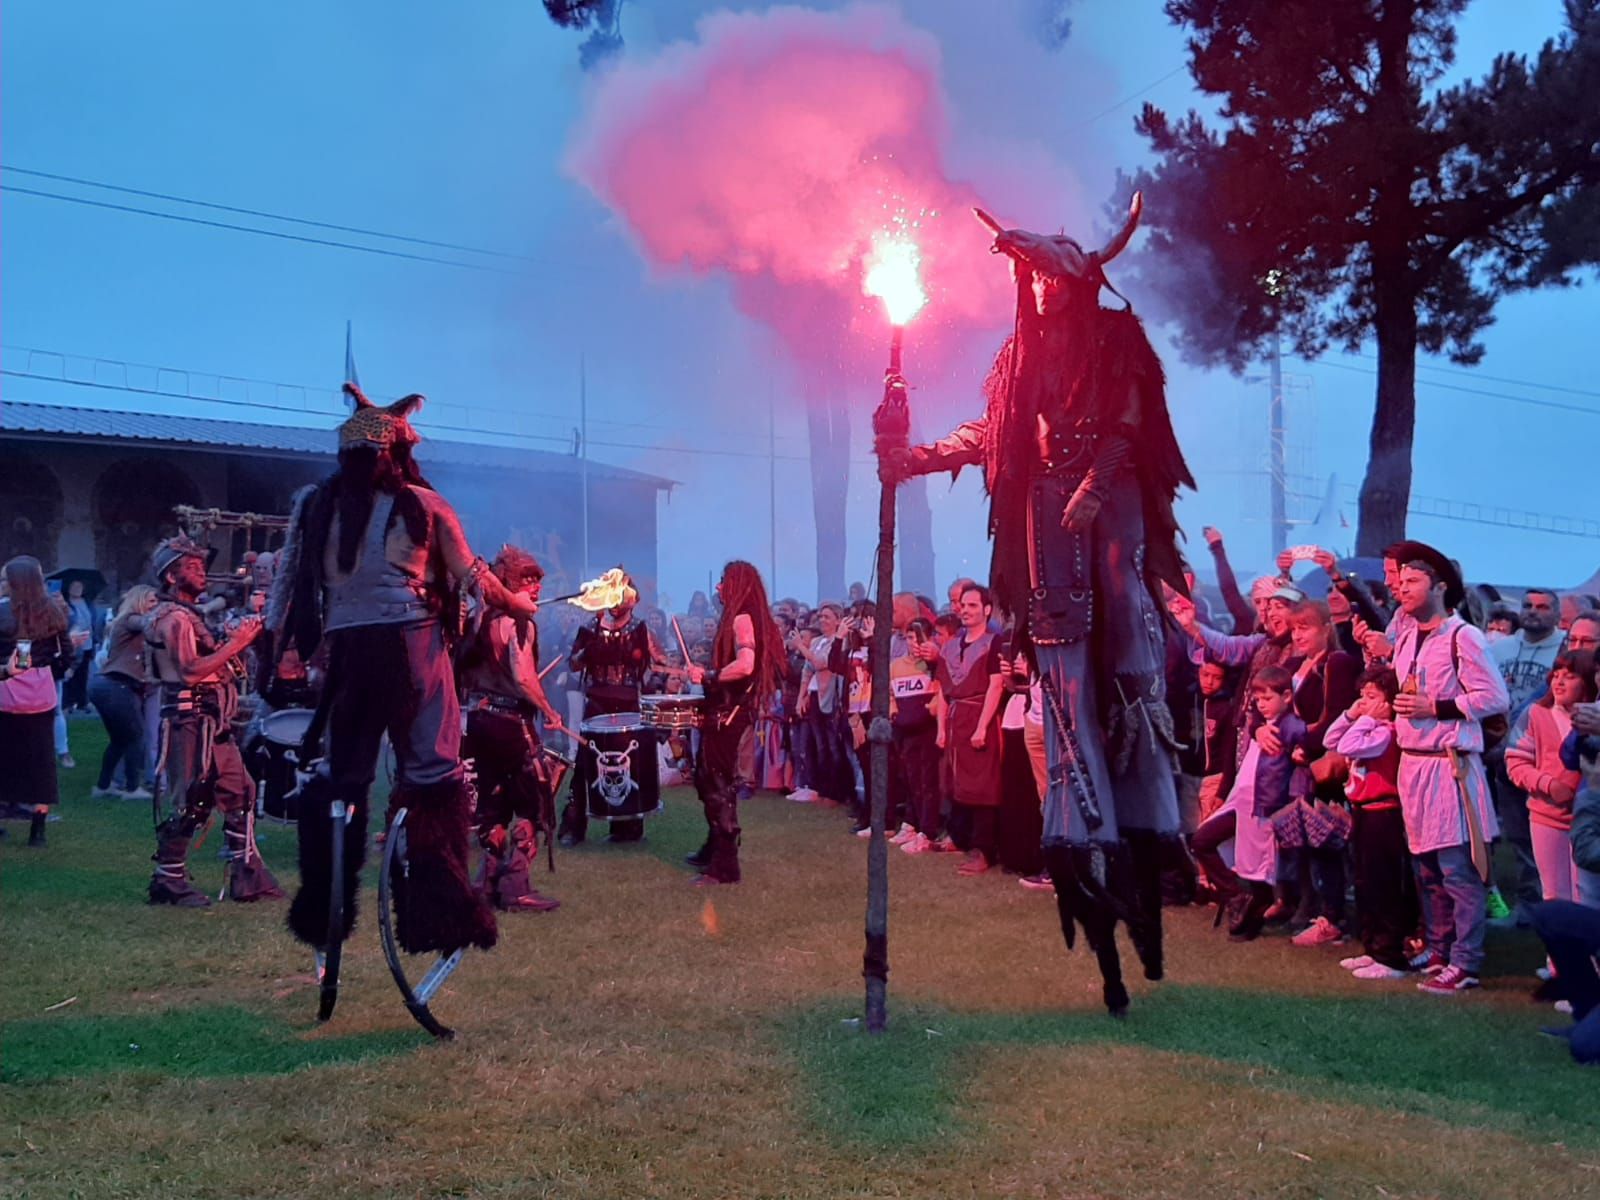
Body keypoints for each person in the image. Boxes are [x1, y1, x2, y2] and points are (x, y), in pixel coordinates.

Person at [885, 195, 1193, 1016]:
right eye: (1033, 278)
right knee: (1058, 676)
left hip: (1111, 512)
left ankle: (1143, 819)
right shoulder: (1015, 360)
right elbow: (990, 433)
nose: (1044, 291)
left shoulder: (1117, 339)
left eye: (1053, 276)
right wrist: (911, 457)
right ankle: (1080, 835)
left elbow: (1133, 422)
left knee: (1126, 642)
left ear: (1079, 279)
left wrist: (1099, 481)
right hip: (1045, 525)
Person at [265, 384, 536, 958]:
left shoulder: (314, 506)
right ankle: (435, 914)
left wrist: (277, 647)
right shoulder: (423, 503)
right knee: (433, 777)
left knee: (344, 778)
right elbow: (471, 578)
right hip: (413, 651)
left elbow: (284, 589)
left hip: (346, 657)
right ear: (399, 454)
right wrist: (517, 604)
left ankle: (323, 905)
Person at [1387, 543, 1510, 996]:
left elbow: (1496, 698)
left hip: (1450, 766)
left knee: (1459, 869)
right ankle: (1439, 949)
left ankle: (1467, 961)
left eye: (1412, 582)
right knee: (1426, 869)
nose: (1402, 590)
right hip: (1412, 764)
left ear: (1439, 587)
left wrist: (1437, 706)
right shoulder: (1405, 636)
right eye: (1400, 584)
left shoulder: (1463, 637)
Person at [144, 537, 282, 905]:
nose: (201, 573)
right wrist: (238, 643)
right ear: (171, 577)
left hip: (213, 722)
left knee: (240, 791)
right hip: (190, 721)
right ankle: (168, 880)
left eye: (202, 567)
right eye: (191, 568)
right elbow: (189, 672)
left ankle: (247, 875)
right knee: (191, 799)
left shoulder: (190, 614)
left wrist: (239, 639)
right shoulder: (171, 618)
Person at [458, 546, 565, 913]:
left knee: (494, 802)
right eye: (527, 579)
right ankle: (516, 886)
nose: (535, 586)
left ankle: (485, 884)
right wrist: (550, 710)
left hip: (480, 721)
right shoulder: (519, 622)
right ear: (507, 582)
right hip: (510, 724)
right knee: (533, 801)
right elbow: (523, 677)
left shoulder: (478, 617)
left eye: (537, 580)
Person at [683, 561, 786, 885]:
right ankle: (714, 846)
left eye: (724, 581)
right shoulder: (751, 617)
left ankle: (725, 864)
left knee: (716, 783)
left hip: (729, 710)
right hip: (728, 708)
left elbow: (745, 665)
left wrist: (710, 676)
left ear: (737, 584)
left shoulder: (743, 618)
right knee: (708, 777)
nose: (718, 588)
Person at [1191, 667, 1309, 941]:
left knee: (1260, 872)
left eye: (1267, 699)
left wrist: (1301, 754)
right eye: (1258, 699)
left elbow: (1303, 744)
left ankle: (1250, 921)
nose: (1261, 704)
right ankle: (1235, 896)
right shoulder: (1259, 723)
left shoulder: (1290, 725)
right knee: (1202, 840)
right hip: (1240, 799)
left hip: (1263, 804)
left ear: (1286, 696)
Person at [557, 577, 667, 846]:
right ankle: (573, 826)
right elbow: (572, 664)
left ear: (631, 599)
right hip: (596, 702)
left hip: (629, 703)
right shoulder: (590, 627)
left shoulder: (640, 629)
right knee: (585, 764)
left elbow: (660, 663)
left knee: (629, 765)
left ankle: (628, 828)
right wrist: (587, 654)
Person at [1325, 667, 1416, 980]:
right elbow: (1332, 739)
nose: (1365, 702)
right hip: (1361, 811)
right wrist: (1352, 713)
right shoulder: (1365, 725)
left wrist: (1364, 720)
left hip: (1383, 812)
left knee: (1383, 885)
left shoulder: (1385, 732)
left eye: (1372, 697)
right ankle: (1372, 946)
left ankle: (1390, 954)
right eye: (1362, 695)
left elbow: (1349, 747)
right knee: (1364, 883)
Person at [1491, 587, 1566, 916]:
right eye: (1528, 605)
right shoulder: (1499, 647)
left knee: (1551, 834)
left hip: (1550, 755)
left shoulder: (1564, 648)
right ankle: (1527, 906)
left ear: (1557, 613)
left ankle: (1556, 905)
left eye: (1542, 606)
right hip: (1505, 754)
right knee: (1518, 833)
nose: (1534, 611)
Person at [1506, 650, 1595, 908]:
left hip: (1588, 821)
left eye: (1569, 676)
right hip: (1547, 818)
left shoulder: (1594, 719)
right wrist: (1549, 785)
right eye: (1555, 675)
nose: (1559, 682)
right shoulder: (1536, 714)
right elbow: (1515, 761)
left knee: (1587, 898)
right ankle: (1557, 950)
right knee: (1555, 897)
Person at [0, 557, 76, 845]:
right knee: (42, 763)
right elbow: (66, 651)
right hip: (41, 694)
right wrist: (49, 671)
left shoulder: (3, 612)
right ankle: (38, 830)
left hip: (6, 692)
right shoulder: (53, 611)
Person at [88, 584, 157, 799]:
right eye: (152, 601)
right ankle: (132, 788)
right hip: (116, 686)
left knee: (120, 740)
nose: (157, 606)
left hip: (105, 685)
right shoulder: (130, 620)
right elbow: (144, 622)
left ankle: (103, 786)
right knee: (136, 736)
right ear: (139, 601)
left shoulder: (126, 624)